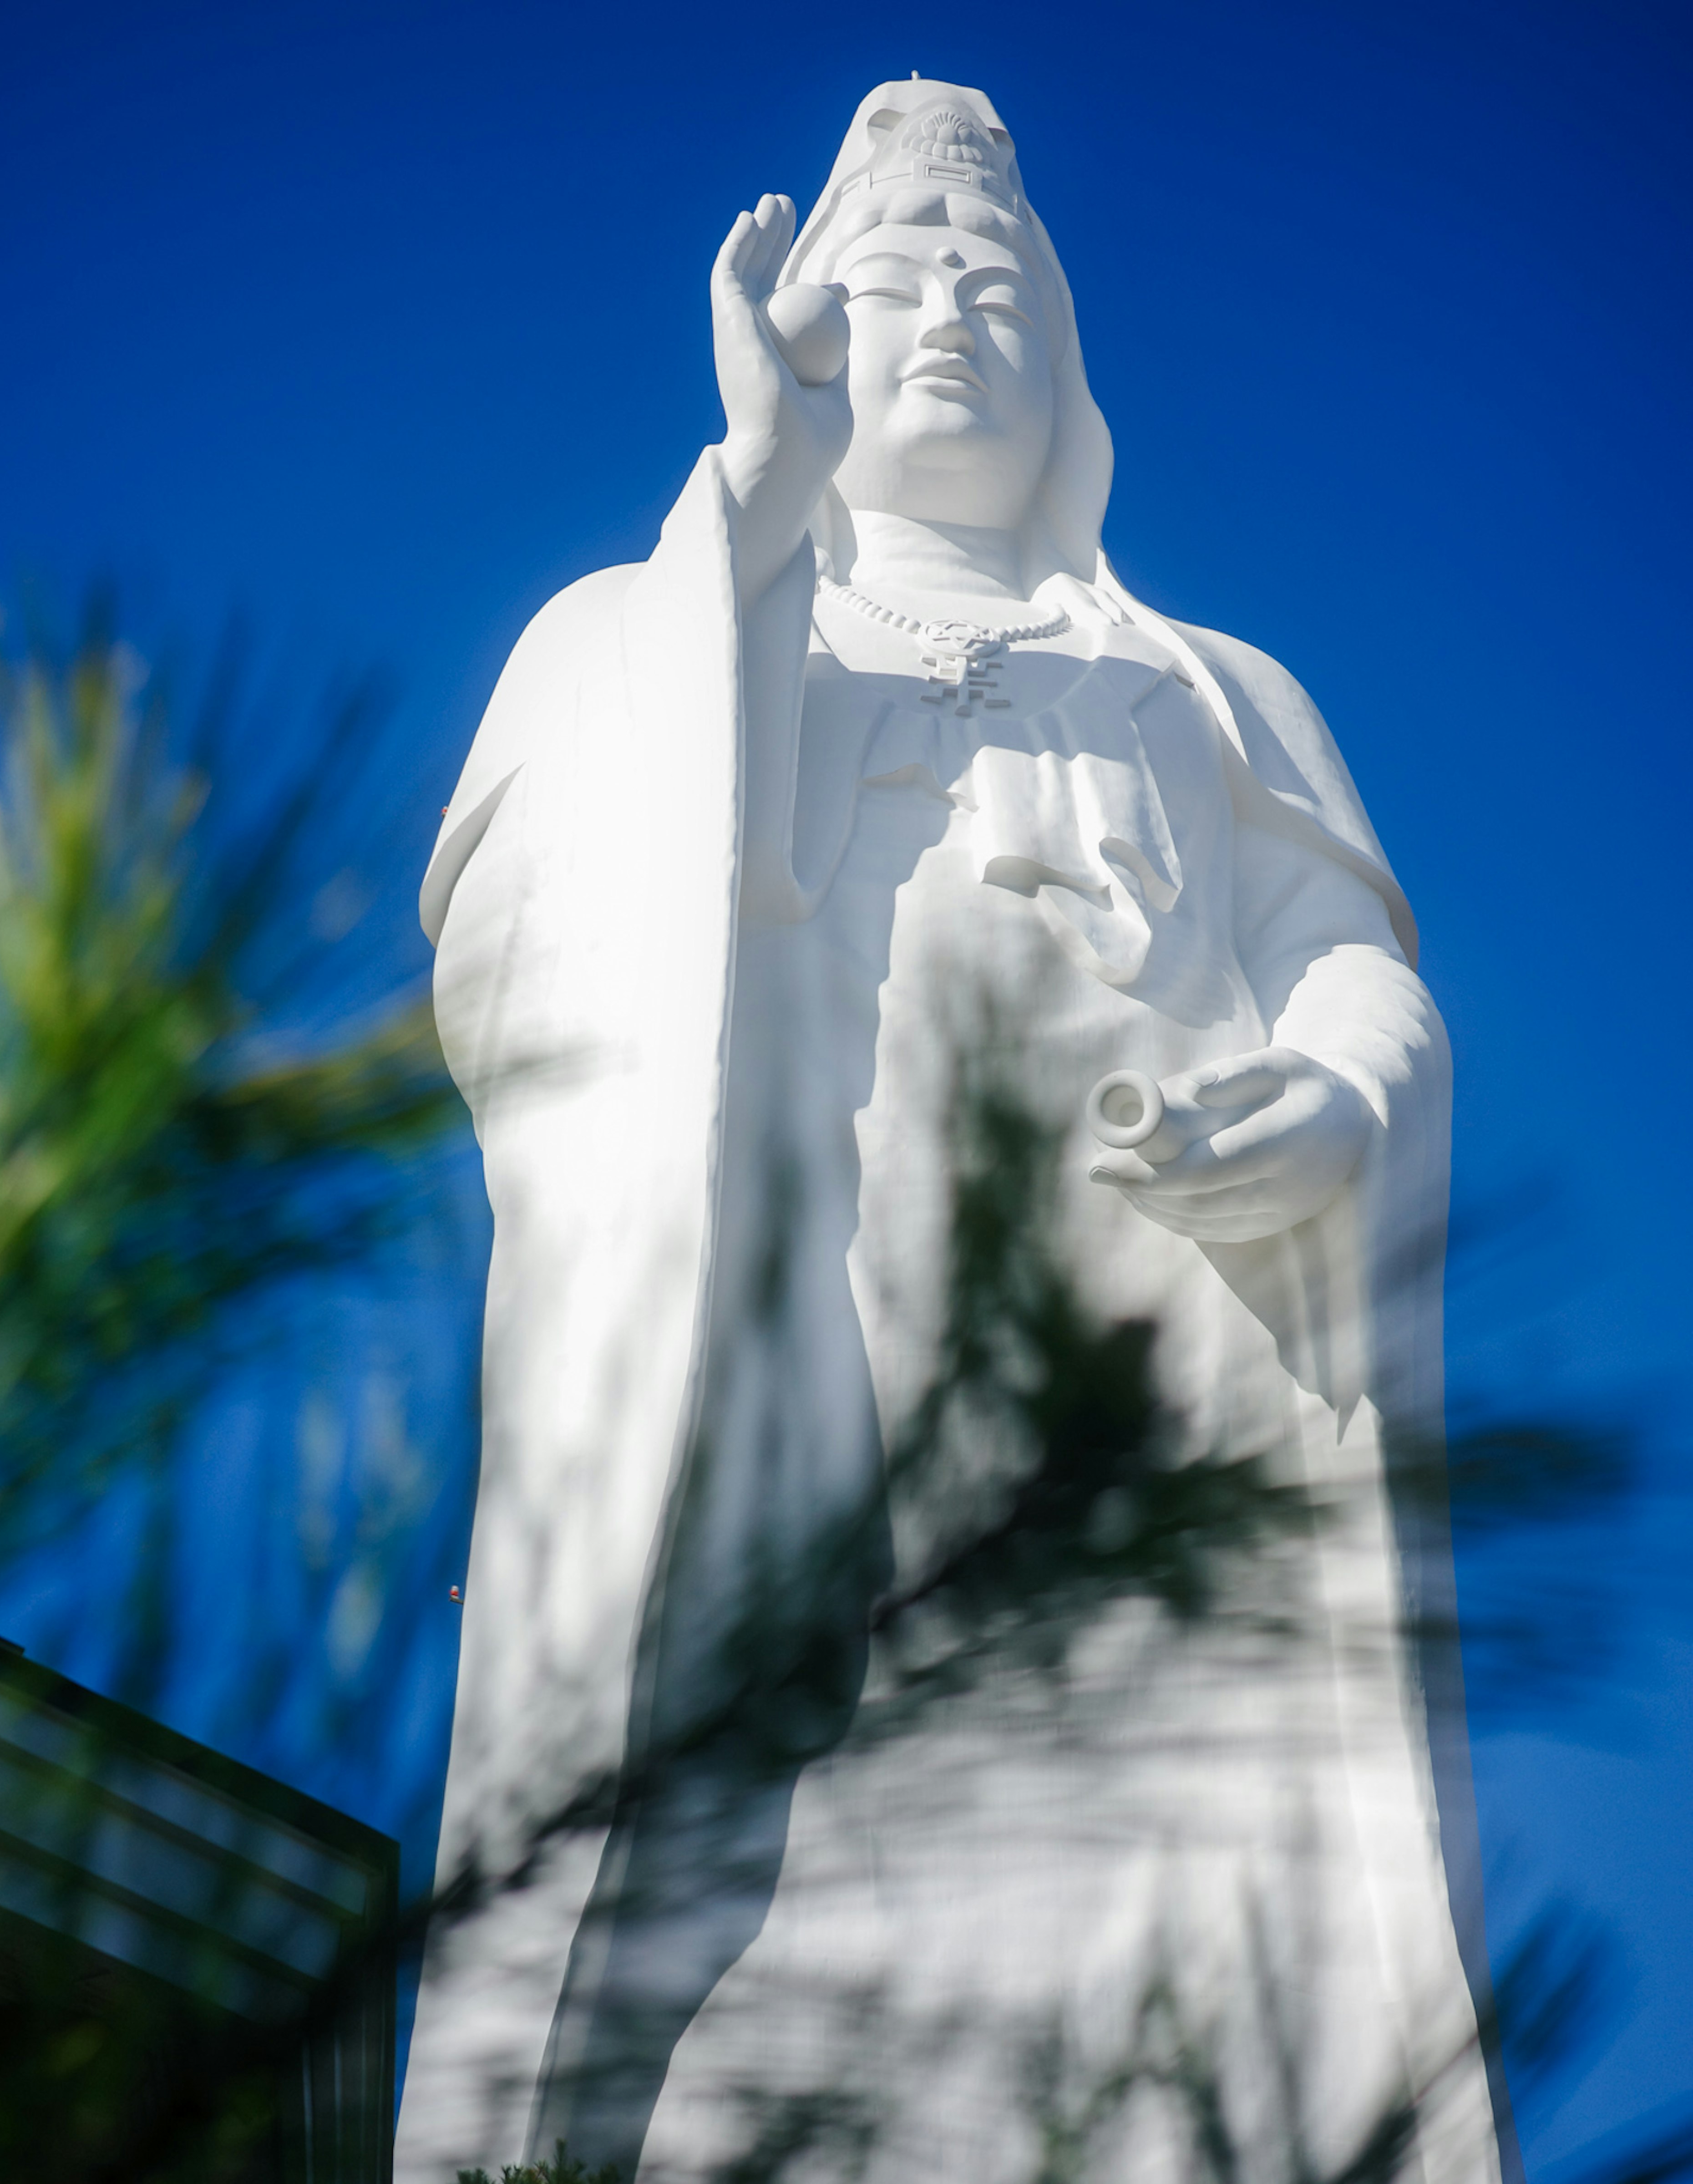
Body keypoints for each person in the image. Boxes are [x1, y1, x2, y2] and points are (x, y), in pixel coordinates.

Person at [398, 80, 1513, 2184]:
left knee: (1184, 1888)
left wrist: (1348, 1087)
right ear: (802, 323)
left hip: (1153, 1348)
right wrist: (748, 515)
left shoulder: (1211, 689)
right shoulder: (648, 637)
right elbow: (514, 972)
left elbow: (1351, 957)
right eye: (897, 274)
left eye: (998, 283)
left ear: (1071, 368)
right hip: (806, 1362)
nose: (948, 316)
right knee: (770, 1874)